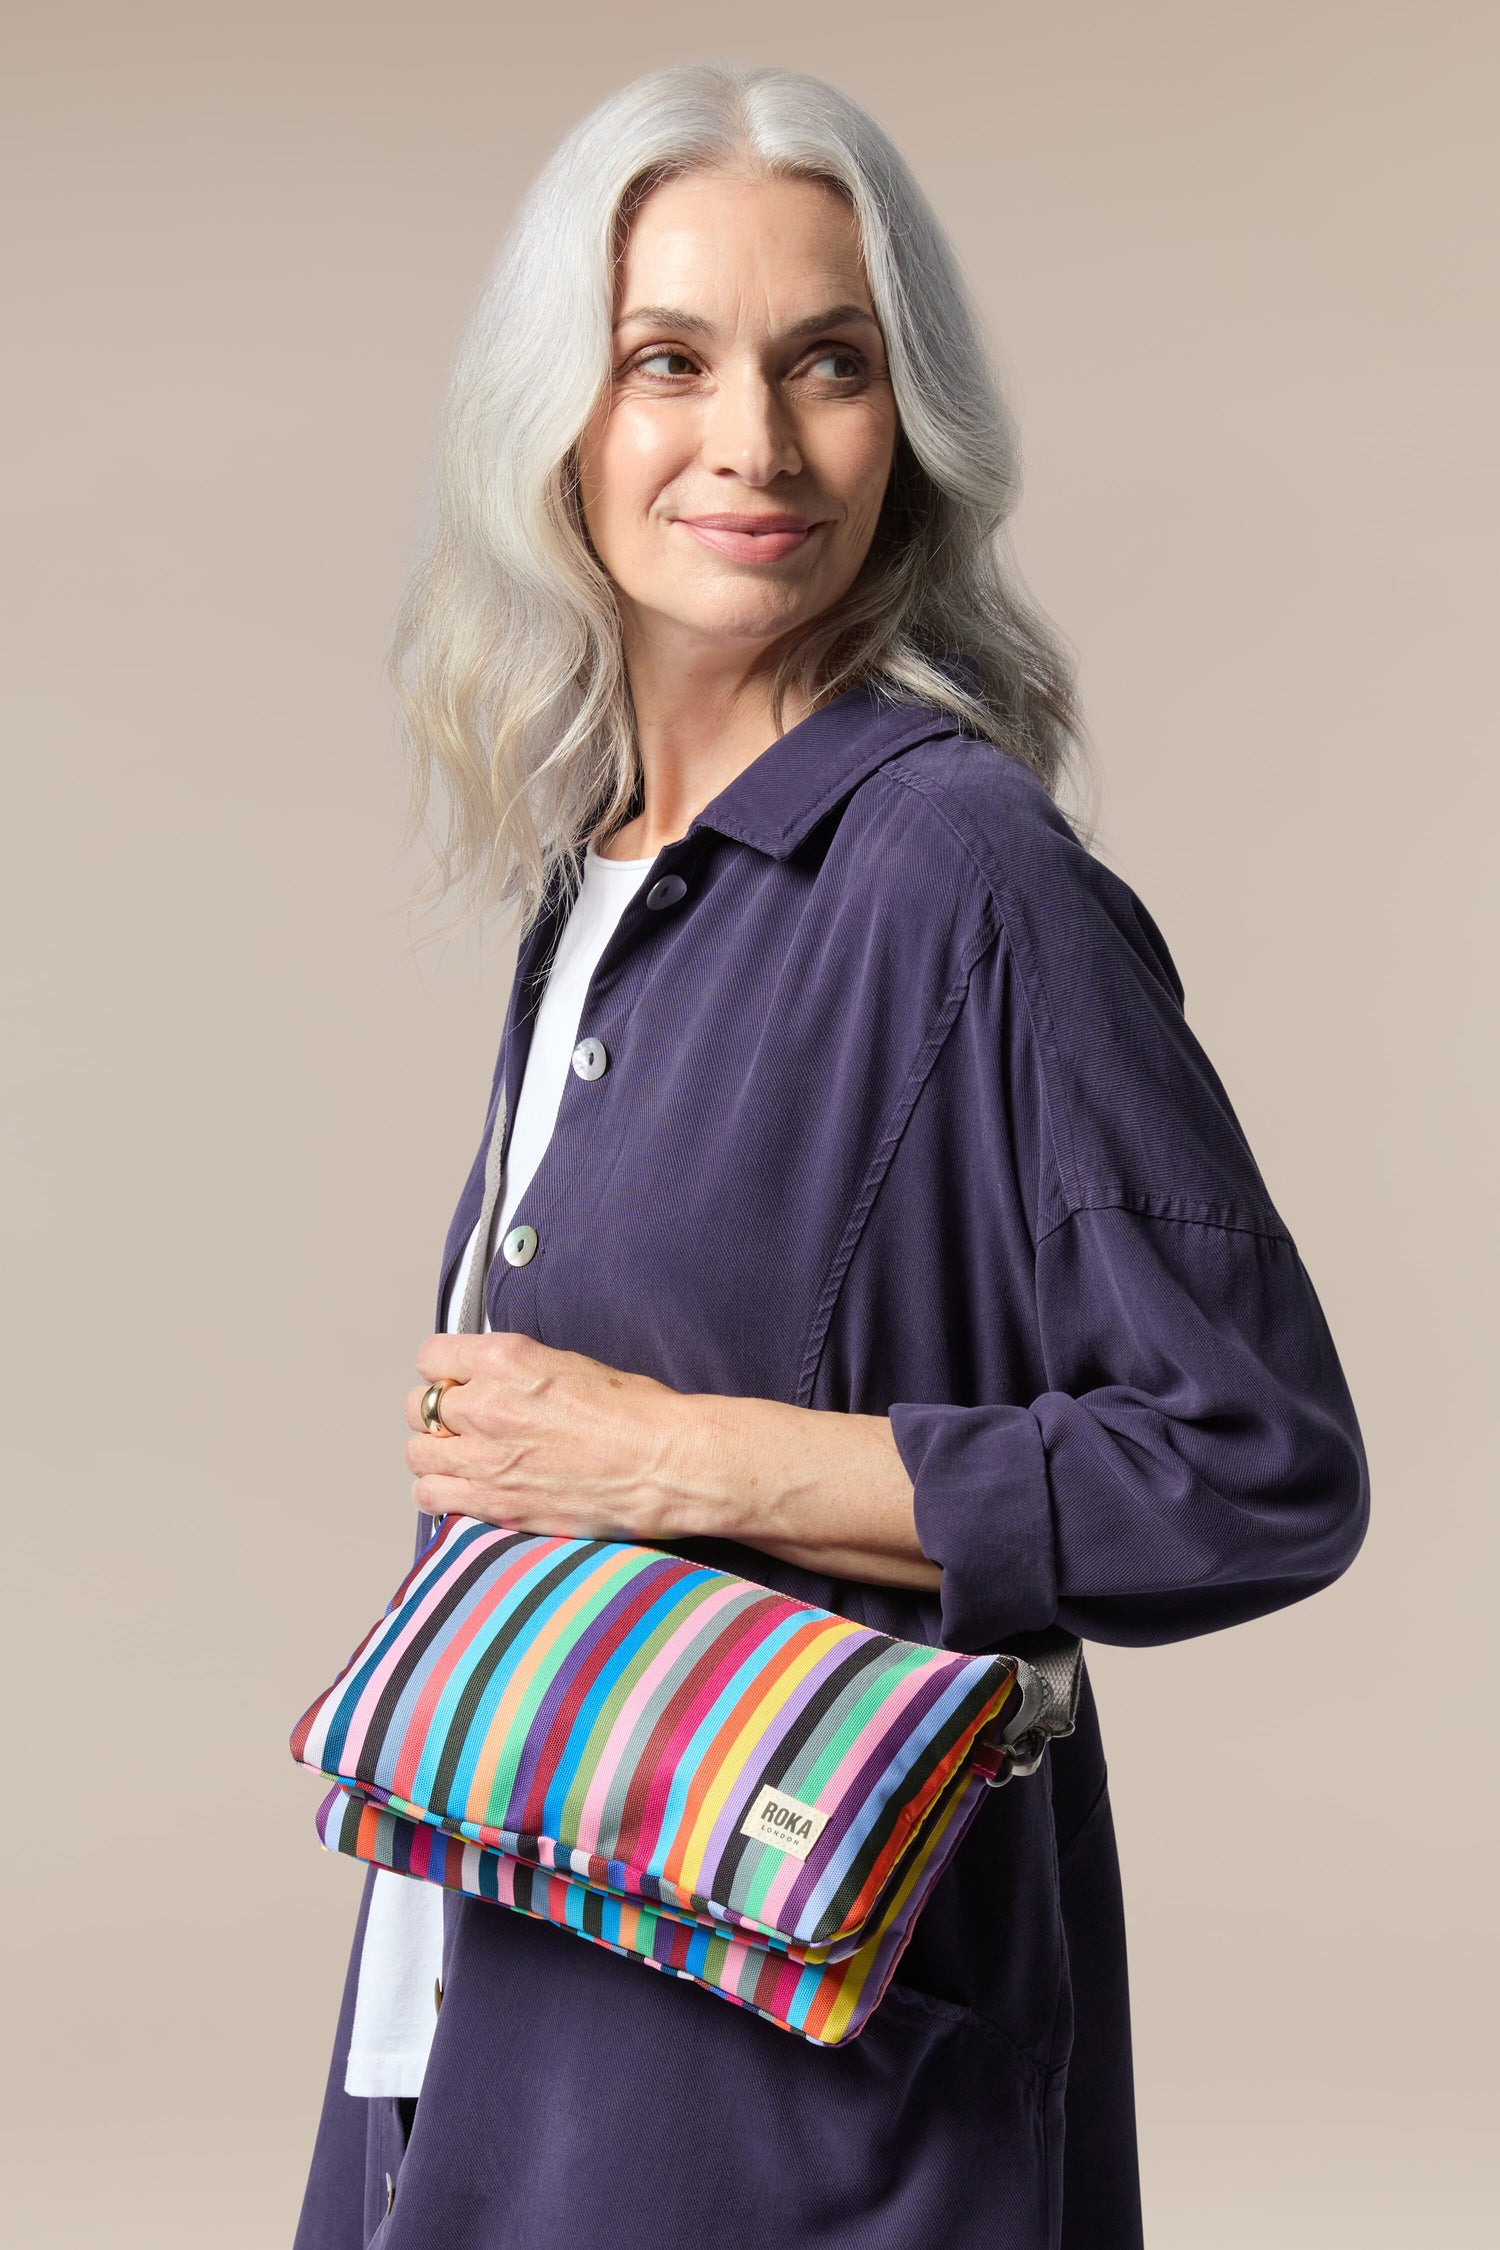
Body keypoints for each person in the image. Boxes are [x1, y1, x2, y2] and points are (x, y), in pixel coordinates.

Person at [291, 59, 1369, 2250]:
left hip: (797, 2118)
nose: (755, 446)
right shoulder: (605, 878)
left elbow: (1258, 1460)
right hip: (489, 2024)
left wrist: (682, 1461)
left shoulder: (956, 873)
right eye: (667, 361)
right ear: (555, 421)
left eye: (831, 367)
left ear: (915, 423)